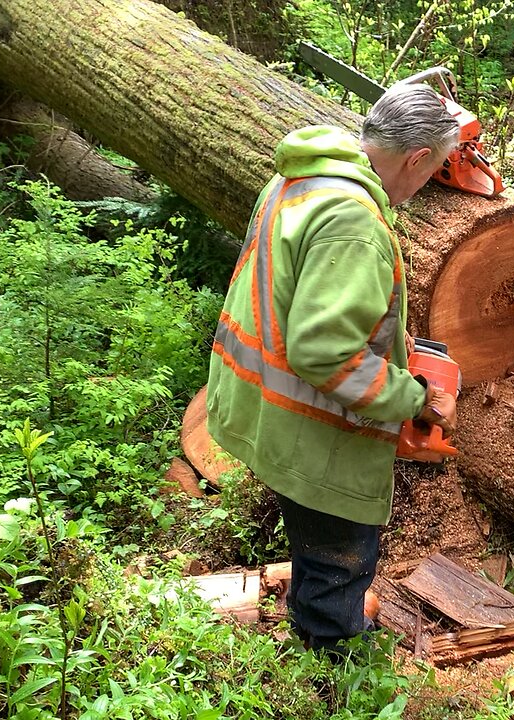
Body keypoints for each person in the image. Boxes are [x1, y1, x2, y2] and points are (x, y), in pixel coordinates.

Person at [205, 83, 460, 654]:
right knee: (340, 558)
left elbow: (295, 296)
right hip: (311, 426)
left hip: (262, 399)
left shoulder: (301, 178)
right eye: (435, 169)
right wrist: (414, 399)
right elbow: (325, 353)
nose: (426, 185)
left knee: (316, 543)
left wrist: (401, 349)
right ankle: (335, 660)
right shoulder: (356, 222)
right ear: (418, 158)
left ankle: (319, 615)